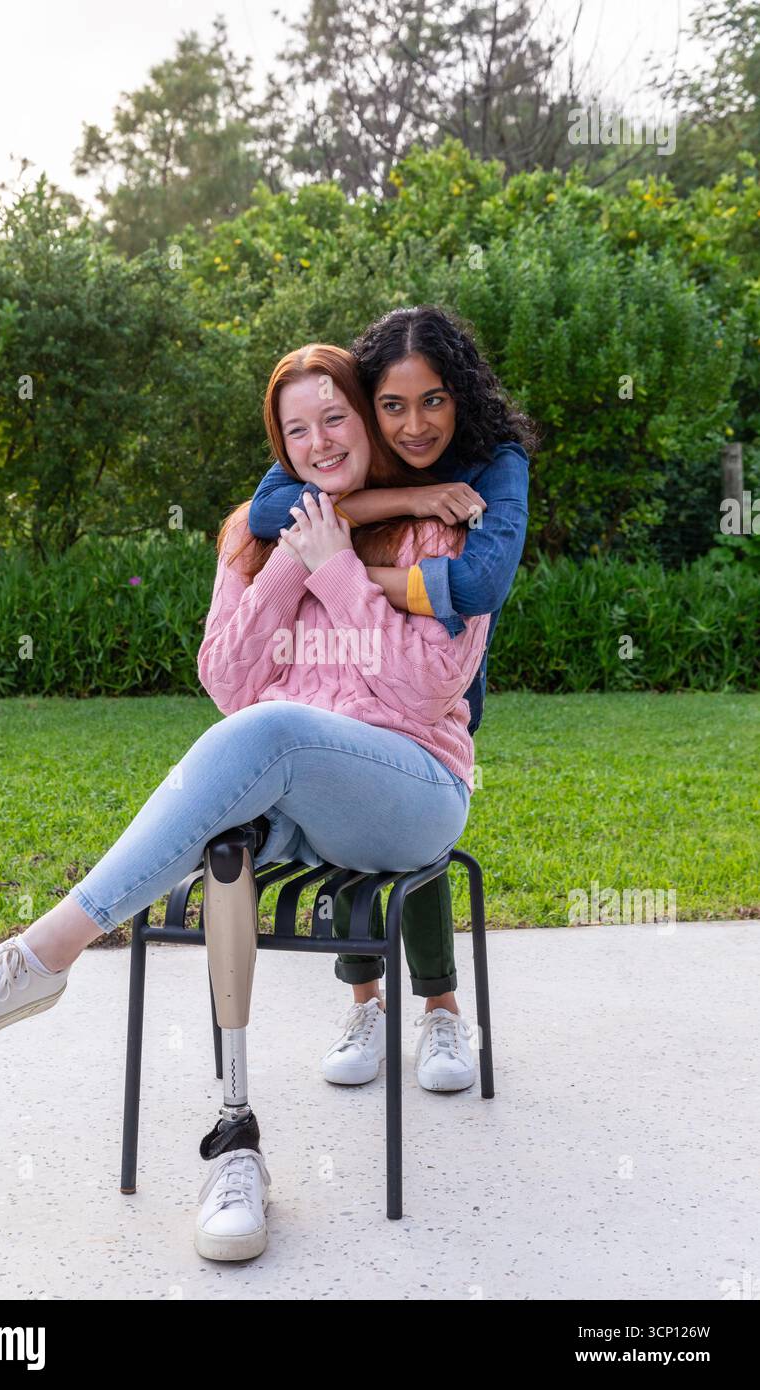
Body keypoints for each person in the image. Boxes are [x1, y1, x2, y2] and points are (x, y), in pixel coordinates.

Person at [0, 342, 493, 1260]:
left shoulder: (444, 530)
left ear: (369, 421)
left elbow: (424, 690)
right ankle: (235, 1142)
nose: (321, 443)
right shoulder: (251, 537)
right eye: (296, 431)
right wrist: (296, 560)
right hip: (295, 793)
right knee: (230, 832)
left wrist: (340, 570)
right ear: (278, 446)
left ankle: (43, 953)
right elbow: (226, 677)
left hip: (412, 790)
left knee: (272, 734)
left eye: (336, 418)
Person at [247, 305, 537, 1075]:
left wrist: (343, 567)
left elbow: (476, 581)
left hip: (434, 677)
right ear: (369, 405)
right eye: (393, 405)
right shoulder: (348, 446)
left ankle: (441, 1012)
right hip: (343, 672)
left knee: (415, 824)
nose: (414, 427)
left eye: (434, 400)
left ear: (461, 397)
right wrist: (404, 500)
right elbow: (270, 512)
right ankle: (365, 1006)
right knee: (349, 796)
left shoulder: (494, 464)